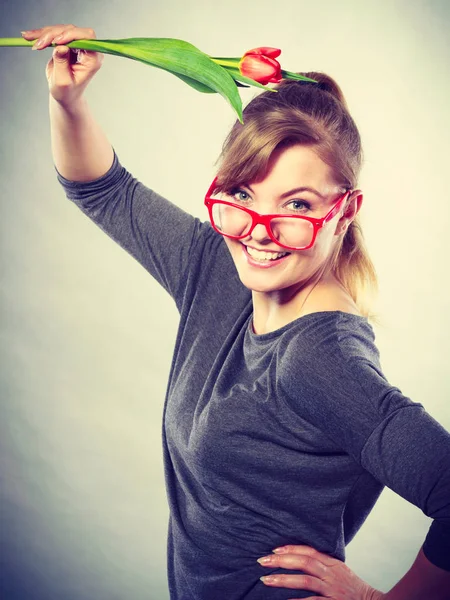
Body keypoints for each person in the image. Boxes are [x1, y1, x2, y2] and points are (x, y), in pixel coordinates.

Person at [22, 23, 450, 600]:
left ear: (346, 210)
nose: (258, 234)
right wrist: (68, 100)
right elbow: (103, 189)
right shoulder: (219, 270)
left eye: (296, 204)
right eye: (243, 196)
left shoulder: (318, 358)